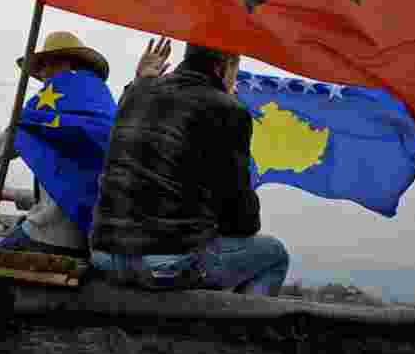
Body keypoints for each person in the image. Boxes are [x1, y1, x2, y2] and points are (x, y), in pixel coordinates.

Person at [0, 32, 171, 257]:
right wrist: (7, 194)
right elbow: (65, 188)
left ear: (63, 63)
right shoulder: (104, 109)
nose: (42, 76)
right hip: (94, 240)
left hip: (50, 236)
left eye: (44, 67)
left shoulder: (46, 112)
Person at [90, 43, 289, 295]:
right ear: (225, 66)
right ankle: (237, 332)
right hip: (165, 265)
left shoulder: (135, 91)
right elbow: (240, 214)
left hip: (105, 257)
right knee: (274, 254)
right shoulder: (228, 109)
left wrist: (142, 79)